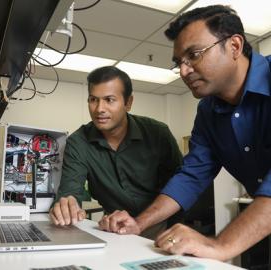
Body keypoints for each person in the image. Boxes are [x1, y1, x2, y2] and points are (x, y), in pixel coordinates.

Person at [98, 4, 271, 261]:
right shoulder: (208, 112)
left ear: (234, 46)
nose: (184, 71)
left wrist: (219, 245)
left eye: (195, 54)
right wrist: (139, 223)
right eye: (179, 62)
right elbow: (191, 176)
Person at [49, 66, 182, 239]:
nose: (99, 109)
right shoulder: (78, 142)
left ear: (128, 103)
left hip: (161, 226)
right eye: (93, 100)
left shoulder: (158, 133)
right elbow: (70, 190)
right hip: (115, 229)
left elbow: (180, 187)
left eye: (109, 100)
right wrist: (67, 205)